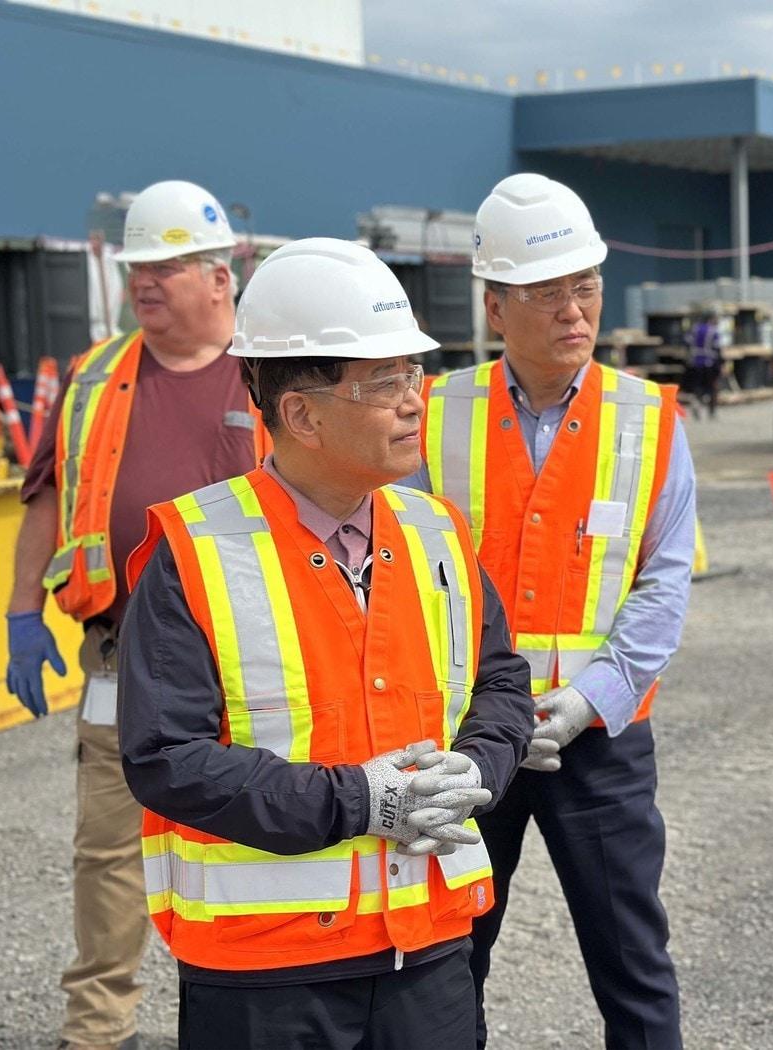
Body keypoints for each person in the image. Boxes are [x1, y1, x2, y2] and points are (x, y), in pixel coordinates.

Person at [118, 238, 535, 1049]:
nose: (414, 401)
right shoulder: (196, 549)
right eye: (383, 382)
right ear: (301, 414)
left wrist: (479, 769)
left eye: (413, 373)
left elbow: (500, 683)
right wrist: (359, 801)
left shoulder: (437, 531)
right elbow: (165, 756)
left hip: (427, 948)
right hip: (266, 972)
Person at [415, 172, 696, 1049]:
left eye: (586, 286)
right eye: (547, 292)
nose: (575, 311)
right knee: (447, 959)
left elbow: (664, 582)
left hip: (599, 738)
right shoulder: (431, 414)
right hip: (465, 734)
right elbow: (400, 572)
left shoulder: (649, 419)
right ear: (495, 306)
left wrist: (589, 698)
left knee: (633, 963)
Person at [5, 179, 264, 1050]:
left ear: (220, 278)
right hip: (121, 657)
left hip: (247, 664)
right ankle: (95, 1030)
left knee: (244, 847)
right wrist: (21, 610)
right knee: (109, 856)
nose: (143, 282)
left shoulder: (267, 369)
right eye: (135, 267)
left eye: (164, 267)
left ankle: (241, 1021)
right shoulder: (93, 376)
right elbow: (47, 497)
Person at [685, 312, 722, 418]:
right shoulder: (713, 331)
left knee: (698, 386)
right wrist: (721, 364)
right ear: (710, 319)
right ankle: (712, 412)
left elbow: (687, 341)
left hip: (695, 363)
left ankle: (697, 404)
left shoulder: (694, 329)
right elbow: (717, 348)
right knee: (713, 387)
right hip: (710, 363)